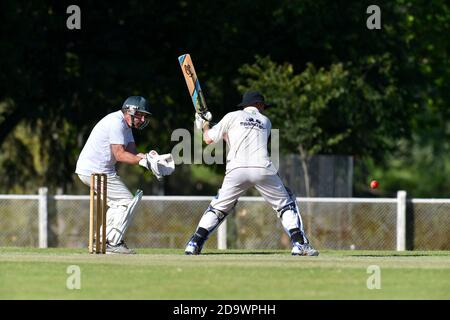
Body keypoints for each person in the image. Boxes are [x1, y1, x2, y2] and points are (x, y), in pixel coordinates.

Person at [185, 91, 318, 256]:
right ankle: (299, 244)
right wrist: (211, 124)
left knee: (218, 208)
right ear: (260, 105)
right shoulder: (266, 121)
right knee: (285, 204)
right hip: (262, 168)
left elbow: (209, 139)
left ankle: (194, 243)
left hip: (236, 169)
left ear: (244, 105)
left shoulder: (231, 116)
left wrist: (204, 125)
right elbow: (242, 136)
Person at [76, 96, 174, 254]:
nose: (143, 119)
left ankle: (100, 241)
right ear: (130, 111)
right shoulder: (116, 123)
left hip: (96, 170)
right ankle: (113, 243)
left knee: (119, 204)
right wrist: (142, 162)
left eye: (145, 116)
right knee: (127, 201)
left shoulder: (125, 125)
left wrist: (149, 157)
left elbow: (132, 153)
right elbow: (120, 155)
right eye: (140, 115)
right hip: (95, 170)